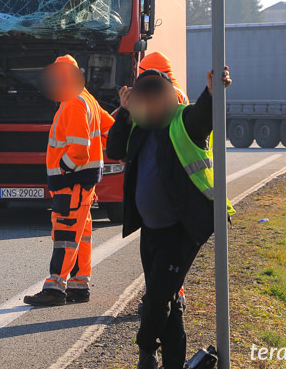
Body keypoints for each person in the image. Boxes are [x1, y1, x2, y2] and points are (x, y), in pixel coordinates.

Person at [107, 67, 233, 369]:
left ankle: (146, 349)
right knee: (169, 302)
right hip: (151, 229)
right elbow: (113, 149)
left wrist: (213, 91)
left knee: (156, 300)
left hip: (183, 227)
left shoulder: (183, 120)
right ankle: (173, 363)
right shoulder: (138, 125)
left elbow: (203, 115)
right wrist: (124, 113)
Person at [24, 55, 115, 307]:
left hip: (71, 182)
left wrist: (63, 170)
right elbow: (110, 131)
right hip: (82, 183)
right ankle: (79, 285)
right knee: (81, 234)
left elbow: (79, 150)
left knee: (65, 233)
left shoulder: (73, 102)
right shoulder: (87, 99)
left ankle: (55, 287)